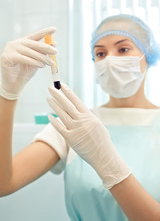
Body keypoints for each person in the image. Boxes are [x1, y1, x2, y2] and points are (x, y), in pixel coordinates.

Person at [1, 14, 160, 221]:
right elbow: (4, 182)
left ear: (147, 54)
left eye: (123, 49)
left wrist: (107, 163)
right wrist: (7, 93)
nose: (110, 60)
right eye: (100, 53)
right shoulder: (75, 124)